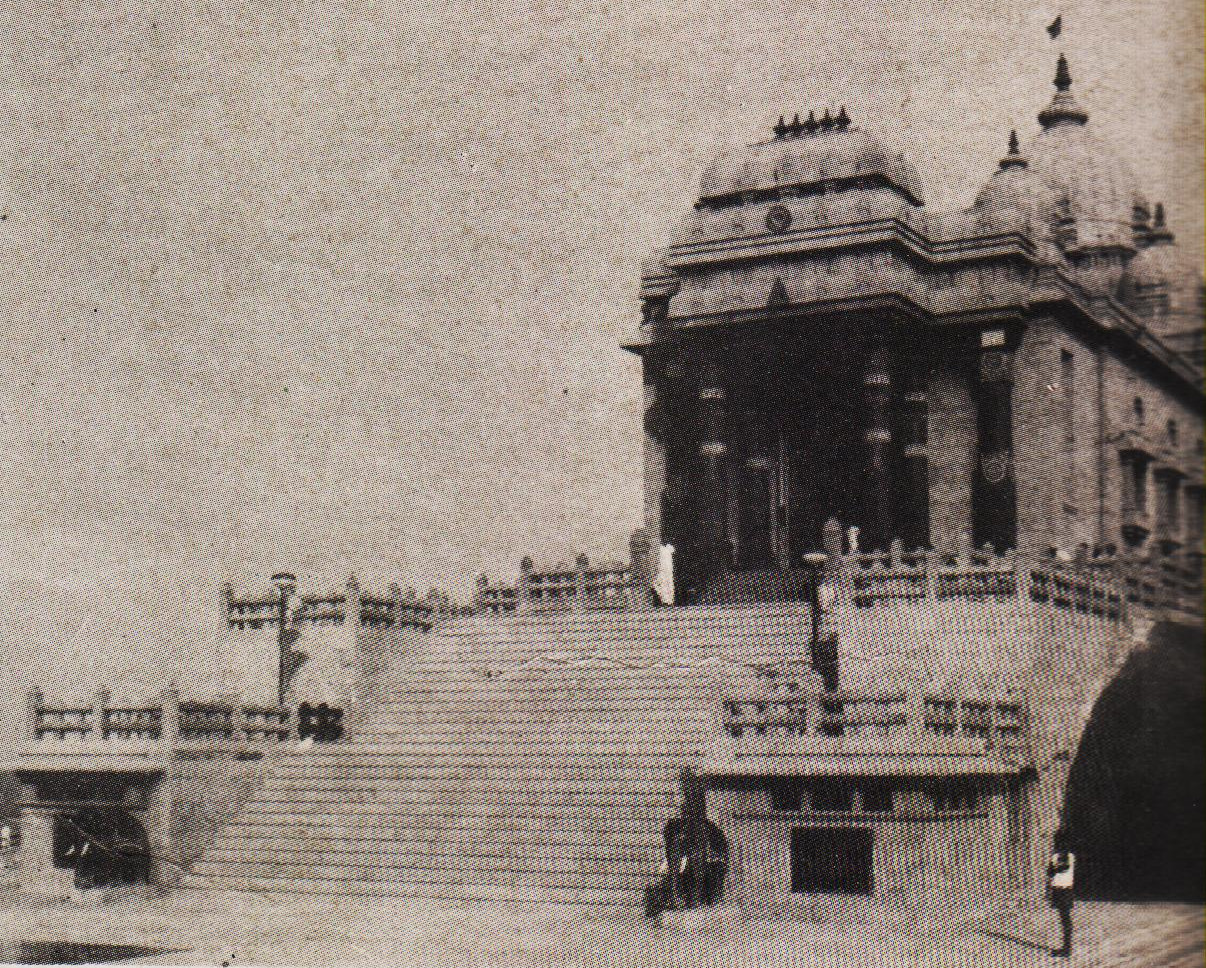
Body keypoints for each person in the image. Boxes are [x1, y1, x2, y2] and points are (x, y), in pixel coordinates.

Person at [1046, 830, 1075, 958]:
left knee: (1066, 919)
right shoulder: (1061, 856)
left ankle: (1066, 949)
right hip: (1060, 890)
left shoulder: (1066, 857)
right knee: (1064, 919)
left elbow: (1058, 870)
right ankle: (1066, 947)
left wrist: (1054, 868)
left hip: (1064, 890)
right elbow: (1051, 873)